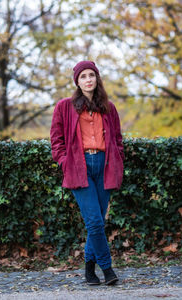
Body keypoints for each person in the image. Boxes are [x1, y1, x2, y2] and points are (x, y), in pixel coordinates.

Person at [50, 61, 124, 285]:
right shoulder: (65, 106)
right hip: (78, 167)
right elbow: (56, 140)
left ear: (97, 78)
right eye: (83, 76)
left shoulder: (108, 107)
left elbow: (117, 139)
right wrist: (65, 162)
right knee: (93, 221)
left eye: (92, 75)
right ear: (77, 81)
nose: (88, 79)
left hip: (104, 166)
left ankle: (89, 271)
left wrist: (118, 159)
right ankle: (108, 269)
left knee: (98, 222)